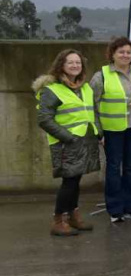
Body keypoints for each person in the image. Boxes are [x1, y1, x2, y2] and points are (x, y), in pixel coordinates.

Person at [33, 49, 99, 236]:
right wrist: (67, 137)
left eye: (78, 62)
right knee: (69, 181)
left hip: (83, 140)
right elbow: (44, 119)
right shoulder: (52, 90)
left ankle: (72, 215)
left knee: (75, 179)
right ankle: (58, 220)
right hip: (66, 143)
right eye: (70, 62)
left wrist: (98, 132)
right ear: (61, 65)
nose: (75, 65)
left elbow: (91, 112)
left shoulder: (84, 87)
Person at [91, 37, 131, 222]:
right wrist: (98, 132)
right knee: (113, 168)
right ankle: (115, 209)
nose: (126, 55)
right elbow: (92, 105)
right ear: (112, 54)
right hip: (112, 130)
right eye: (121, 52)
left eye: (129, 52)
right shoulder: (101, 75)